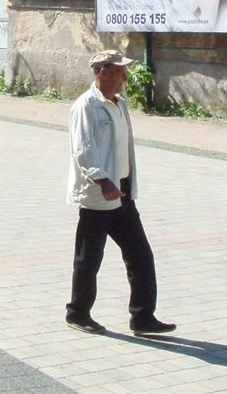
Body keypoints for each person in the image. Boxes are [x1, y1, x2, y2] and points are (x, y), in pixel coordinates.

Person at [65, 49, 175, 336]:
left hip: (123, 193)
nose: (125, 77)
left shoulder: (120, 103)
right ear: (103, 72)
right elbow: (83, 150)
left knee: (140, 255)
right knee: (89, 259)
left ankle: (142, 317)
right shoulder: (86, 106)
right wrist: (103, 182)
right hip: (99, 194)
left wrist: (122, 185)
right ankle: (77, 313)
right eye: (120, 71)